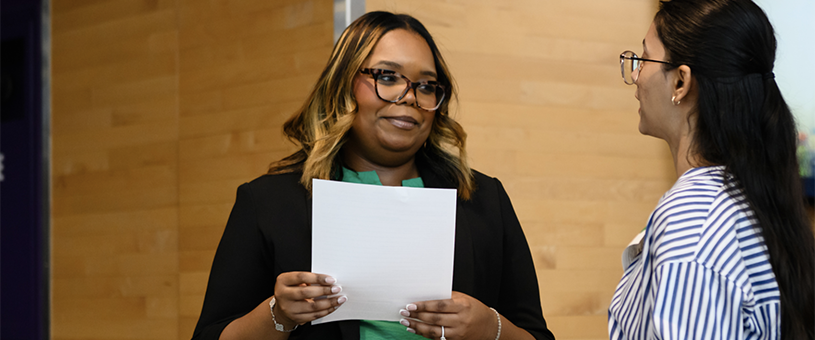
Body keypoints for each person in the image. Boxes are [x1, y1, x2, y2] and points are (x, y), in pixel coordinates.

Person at [192, 11, 555, 340]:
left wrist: (489, 328)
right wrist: (278, 314)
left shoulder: (481, 199)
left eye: (427, 86)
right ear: (343, 83)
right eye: (387, 76)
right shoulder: (269, 203)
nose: (410, 96)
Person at [610, 0, 815, 339]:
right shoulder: (747, 196)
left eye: (644, 58)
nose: (635, 74)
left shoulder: (695, 217)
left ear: (681, 82)